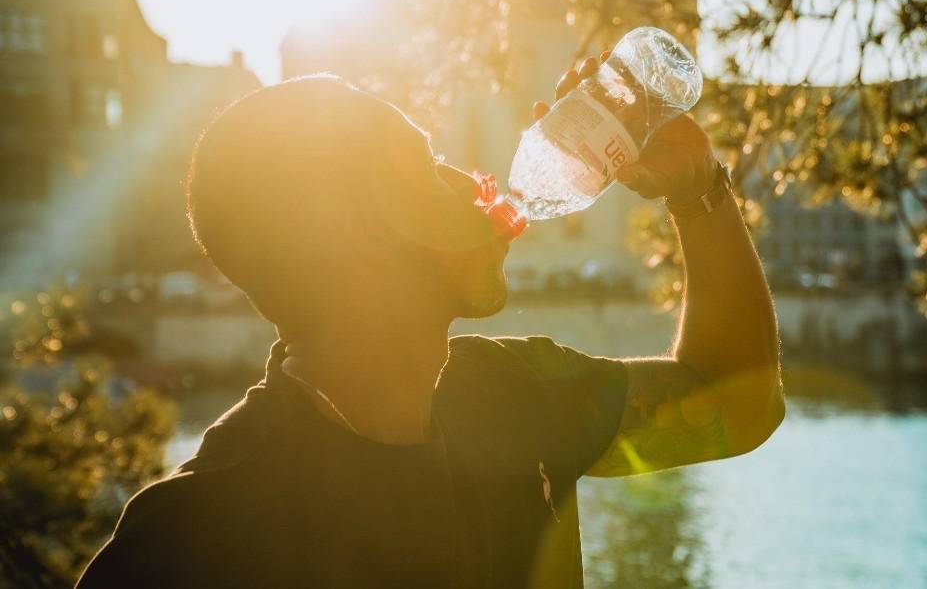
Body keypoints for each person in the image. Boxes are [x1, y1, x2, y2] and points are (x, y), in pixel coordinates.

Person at [77, 56, 784, 588]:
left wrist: (699, 194)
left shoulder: (514, 392)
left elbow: (739, 401)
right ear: (362, 235)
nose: (476, 180)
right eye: (427, 164)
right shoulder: (187, 538)